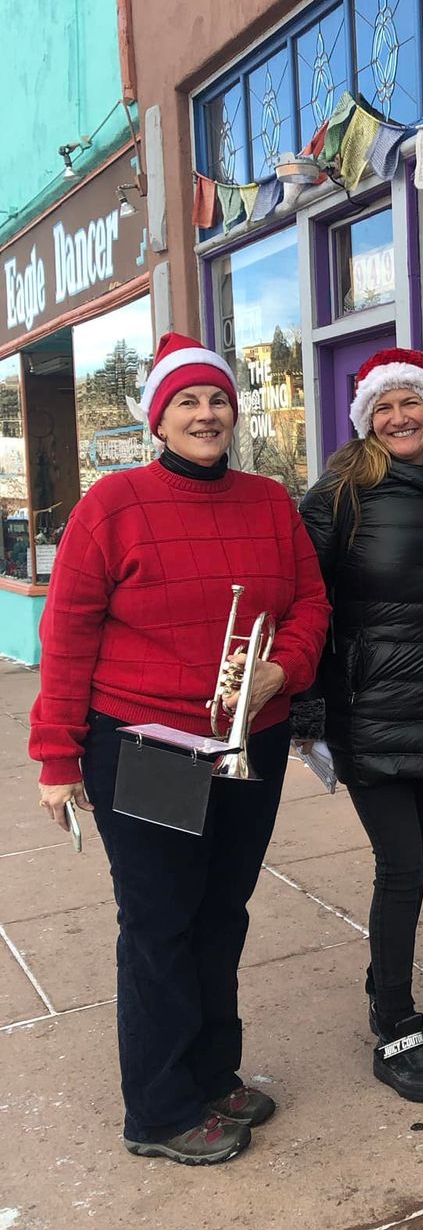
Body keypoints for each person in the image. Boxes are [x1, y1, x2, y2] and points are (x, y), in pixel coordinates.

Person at [29, 333, 330, 1164]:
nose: (206, 414)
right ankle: (159, 1110)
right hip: (152, 746)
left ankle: (211, 1070)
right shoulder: (113, 506)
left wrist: (282, 670)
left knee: (222, 914)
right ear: (158, 419)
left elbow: (310, 603)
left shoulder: (271, 502)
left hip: (250, 742)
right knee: (163, 922)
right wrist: (56, 758)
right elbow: (67, 635)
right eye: (187, 403)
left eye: (217, 399)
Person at [297, 349, 423, 1102]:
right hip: (367, 711)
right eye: (383, 407)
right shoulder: (341, 492)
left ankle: (382, 978)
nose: (399, 417)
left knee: (416, 857)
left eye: (412, 404)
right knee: (400, 868)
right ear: (366, 419)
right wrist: (309, 718)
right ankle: (395, 1023)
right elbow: (299, 604)